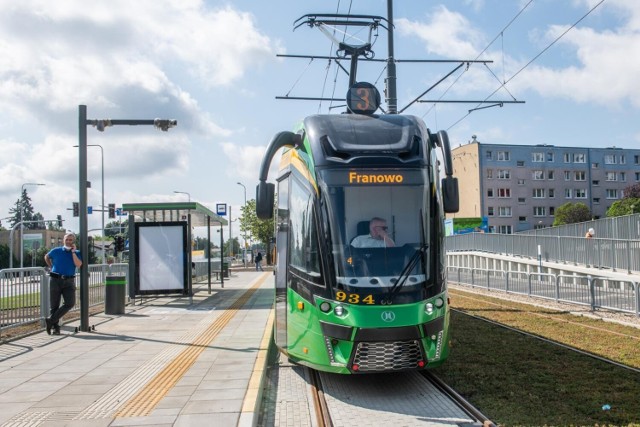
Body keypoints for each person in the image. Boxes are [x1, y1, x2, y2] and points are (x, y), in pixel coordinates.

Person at [44, 233, 82, 335]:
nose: (69, 241)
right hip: (55, 280)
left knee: (70, 303)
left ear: (73, 242)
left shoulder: (77, 252)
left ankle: (50, 320)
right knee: (54, 306)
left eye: (71, 240)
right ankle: (56, 328)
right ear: (63, 240)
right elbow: (46, 256)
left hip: (69, 281)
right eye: (67, 240)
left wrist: (73, 252)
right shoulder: (56, 250)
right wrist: (51, 266)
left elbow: (78, 264)